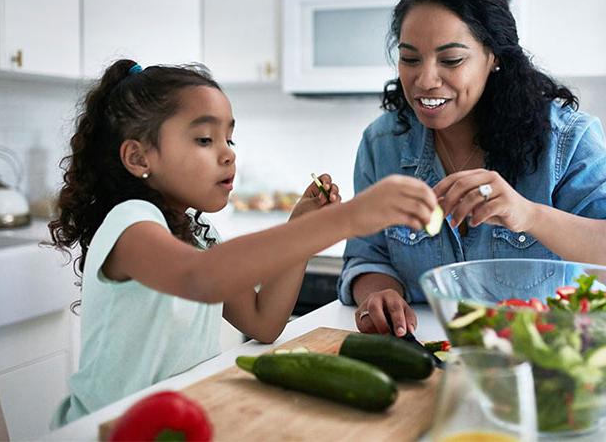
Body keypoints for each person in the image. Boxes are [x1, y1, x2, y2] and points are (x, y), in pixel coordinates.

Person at [47, 59, 438, 427]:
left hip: (175, 418)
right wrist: (348, 218)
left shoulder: (200, 236)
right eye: (204, 139)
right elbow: (200, 279)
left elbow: (263, 321)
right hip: (103, 429)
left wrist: (301, 227)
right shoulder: (131, 222)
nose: (228, 156)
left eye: (229, 140)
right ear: (138, 157)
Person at [339, 0, 606, 337]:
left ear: (494, 57)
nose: (425, 80)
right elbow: (368, 256)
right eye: (410, 58)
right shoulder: (381, 144)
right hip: (422, 361)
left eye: (451, 60)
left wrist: (530, 216)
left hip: (537, 365)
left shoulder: (564, 139)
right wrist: (381, 292)